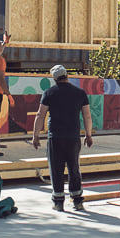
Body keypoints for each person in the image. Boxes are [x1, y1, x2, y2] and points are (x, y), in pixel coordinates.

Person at [32, 64, 93, 212]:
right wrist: (88, 134)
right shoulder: (80, 93)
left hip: (55, 137)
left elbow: (40, 115)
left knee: (56, 168)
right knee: (74, 167)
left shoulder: (49, 93)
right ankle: (77, 200)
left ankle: (58, 201)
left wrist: (35, 136)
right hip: (73, 137)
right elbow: (87, 115)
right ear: (67, 75)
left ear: (54, 78)